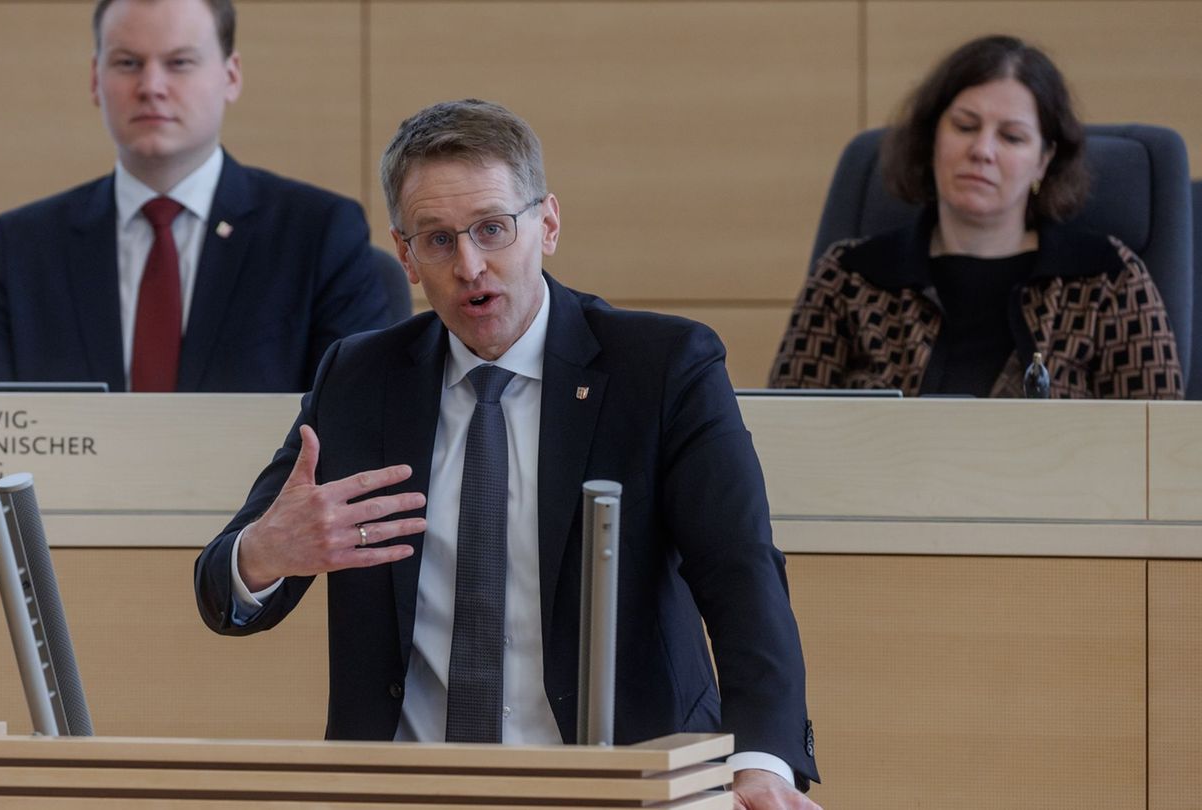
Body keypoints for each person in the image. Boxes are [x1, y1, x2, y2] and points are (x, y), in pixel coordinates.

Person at [194, 99, 821, 809]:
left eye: (493, 229)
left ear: (547, 224)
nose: (469, 266)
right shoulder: (360, 379)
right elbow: (222, 593)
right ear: (404, 255)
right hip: (405, 791)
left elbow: (742, 576)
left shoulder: (664, 368)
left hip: (622, 785)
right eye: (436, 240)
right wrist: (264, 554)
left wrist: (762, 761)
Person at [0, 0, 394, 393]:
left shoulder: (317, 233)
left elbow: (355, 424)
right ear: (95, 80)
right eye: (127, 63)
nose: (151, 86)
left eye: (179, 63)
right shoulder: (22, 247)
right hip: (72, 495)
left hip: (259, 493)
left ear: (231, 76)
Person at [769, 34, 1184, 398]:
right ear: (932, 138)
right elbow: (782, 440)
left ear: (1043, 161)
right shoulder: (848, 279)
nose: (982, 150)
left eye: (1011, 137)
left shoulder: (1109, 280)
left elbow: (1156, 451)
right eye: (965, 126)